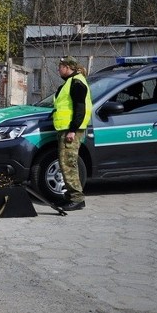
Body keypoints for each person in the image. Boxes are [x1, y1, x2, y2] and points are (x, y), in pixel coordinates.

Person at [53, 56, 92, 211]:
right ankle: (70, 196)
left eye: (60, 66)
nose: (58, 69)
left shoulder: (77, 83)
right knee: (65, 163)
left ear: (68, 67)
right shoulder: (71, 81)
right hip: (65, 129)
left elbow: (80, 108)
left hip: (71, 130)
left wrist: (72, 130)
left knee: (69, 163)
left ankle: (77, 198)